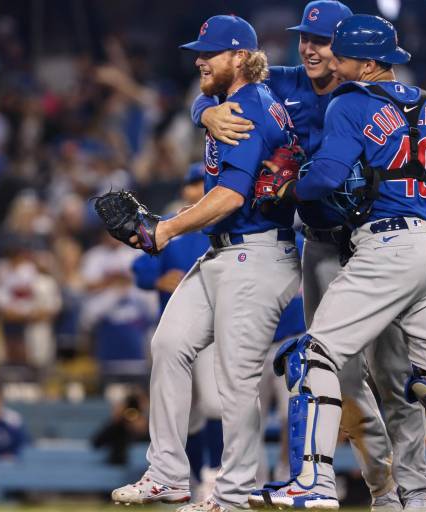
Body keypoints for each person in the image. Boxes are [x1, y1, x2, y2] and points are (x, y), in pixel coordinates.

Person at [249, 14, 426, 511]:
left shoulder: (351, 101)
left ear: (369, 63)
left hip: (386, 244)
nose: (335, 62)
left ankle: (313, 481)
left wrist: (288, 188)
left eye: (345, 55)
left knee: (313, 355)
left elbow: (327, 177)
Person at [192, 3, 426, 510]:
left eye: (321, 40)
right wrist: (205, 112)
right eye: (305, 37)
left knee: (393, 377)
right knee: (340, 377)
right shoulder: (283, 81)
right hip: (322, 245)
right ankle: (383, 489)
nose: (309, 48)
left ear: (345, 46)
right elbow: (222, 85)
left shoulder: (374, 93)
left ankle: (416, 490)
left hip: (377, 243)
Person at [110, 15, 301, 512]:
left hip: (257, 252)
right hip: (228, 251)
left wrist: (166, 228)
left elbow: (231, 196)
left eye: (210, 52)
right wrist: (204, 112)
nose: (200, 60)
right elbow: (205, 104)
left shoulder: (249, 108)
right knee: (169, 343)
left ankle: (231, 496)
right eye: (199, 52)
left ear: (240, 57)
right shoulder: (235, 102)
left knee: (236, 381)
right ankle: (168, 474)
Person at [132, 163, 221, 500]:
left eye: (202, 183)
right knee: (190, 417)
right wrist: (157, 279)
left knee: (214, 405)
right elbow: (140, 269)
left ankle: (215, 475)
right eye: (192, 184)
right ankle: (195, 481)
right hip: (175, 331)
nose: (195, 189)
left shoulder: (223, 222)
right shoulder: (173, 225)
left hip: (214, 331)